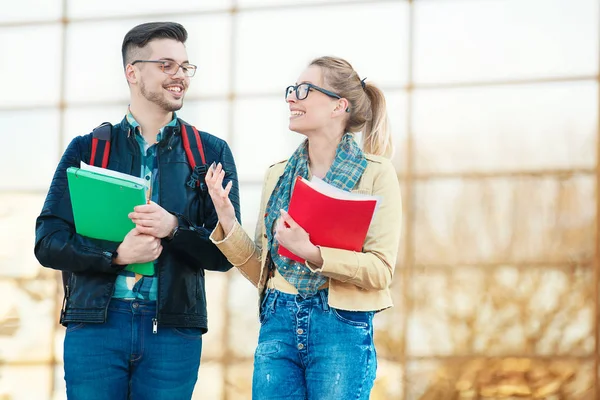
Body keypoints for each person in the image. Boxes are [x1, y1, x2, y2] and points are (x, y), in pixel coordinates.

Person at [34, 22, 240, 399]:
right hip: (96, 327)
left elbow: (227, 255)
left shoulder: (210, 153)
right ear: (132, 72)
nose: (179, 76)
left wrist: (174, 227)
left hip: (173, 334)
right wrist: (115, 256)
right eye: (166, 65)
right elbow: (48, 242)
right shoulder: (87, 150)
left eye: (185, 67)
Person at [206, 56, 402, 399]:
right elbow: (260, 272)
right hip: (277, 320)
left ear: (338, 106)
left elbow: (381, 271)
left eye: (304, 90)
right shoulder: (277, 175)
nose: (291, 98)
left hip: (341, 325)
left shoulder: (377, 173)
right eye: (292, 90)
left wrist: (312, 253)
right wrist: (226, 219)